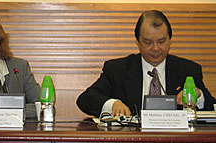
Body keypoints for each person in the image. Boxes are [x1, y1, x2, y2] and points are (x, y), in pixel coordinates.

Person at [76, 10, 216, 117]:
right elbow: (85, 99)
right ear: (138, 43)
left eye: (161, 42)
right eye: (148, 42)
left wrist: (198, 96)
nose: (155, 48)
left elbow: (212, 105)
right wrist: (112, 104)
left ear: (170, 41)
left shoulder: (188, 70)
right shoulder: (118, 70)